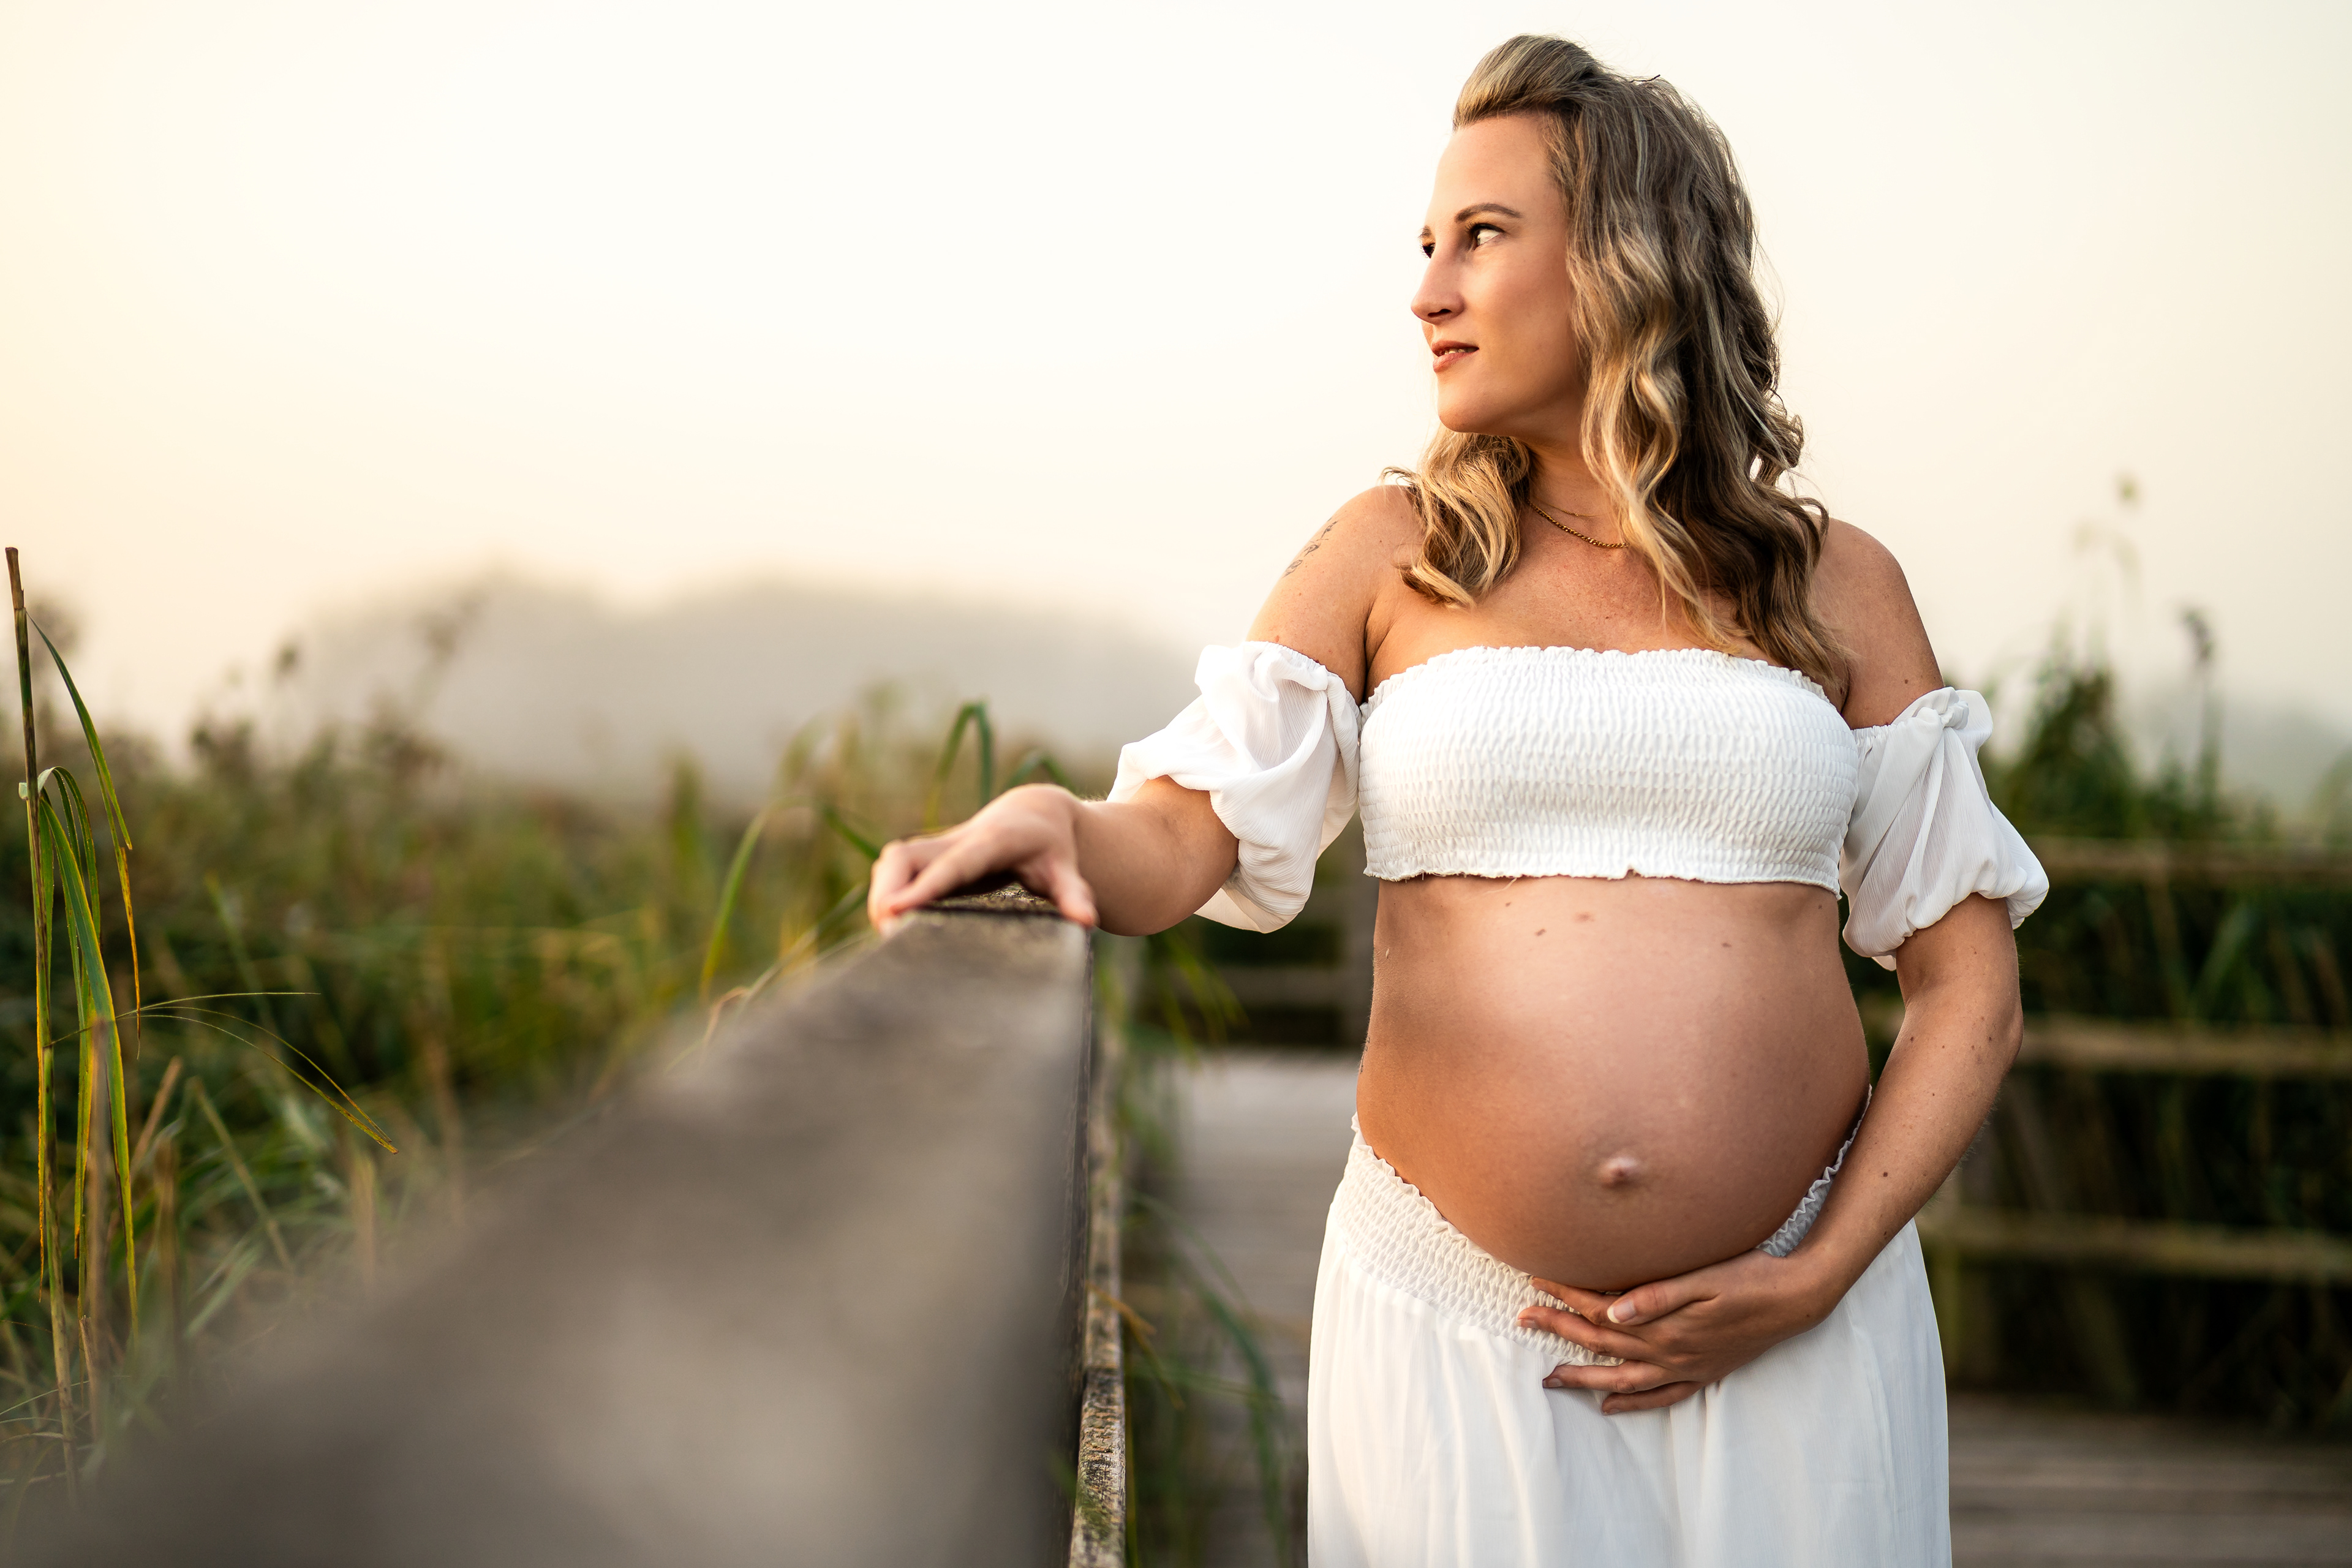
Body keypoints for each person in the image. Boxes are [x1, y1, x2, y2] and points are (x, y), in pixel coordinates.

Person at [868, 32, 2045, 1567]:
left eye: (1481, 239)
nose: (1428, 291)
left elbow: (1970, 982)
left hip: (1796, 1342)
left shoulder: (1835, 585)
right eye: (1427, 246)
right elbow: (1181, 831)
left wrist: (1818, 1270)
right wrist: (1056, 821)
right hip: (1457, 1329)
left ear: (1627, 259)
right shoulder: (1391, 551)